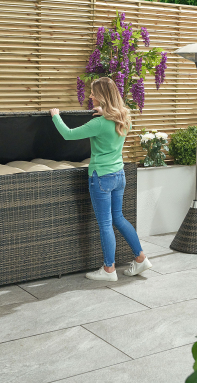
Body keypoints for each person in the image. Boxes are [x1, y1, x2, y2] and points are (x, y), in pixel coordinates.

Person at [49, 77, 152, 282]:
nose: (90, 95)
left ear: (103, 96)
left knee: (105, 223)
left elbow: (68, 135)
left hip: (101, 178)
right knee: (119, 218)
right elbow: (113, 118)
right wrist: (106, 112)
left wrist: (55, 116)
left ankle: (108, 270)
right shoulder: (125, 118)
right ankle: (141, 258)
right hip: (119, 175)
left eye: (93, 92)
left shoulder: (98, 123)